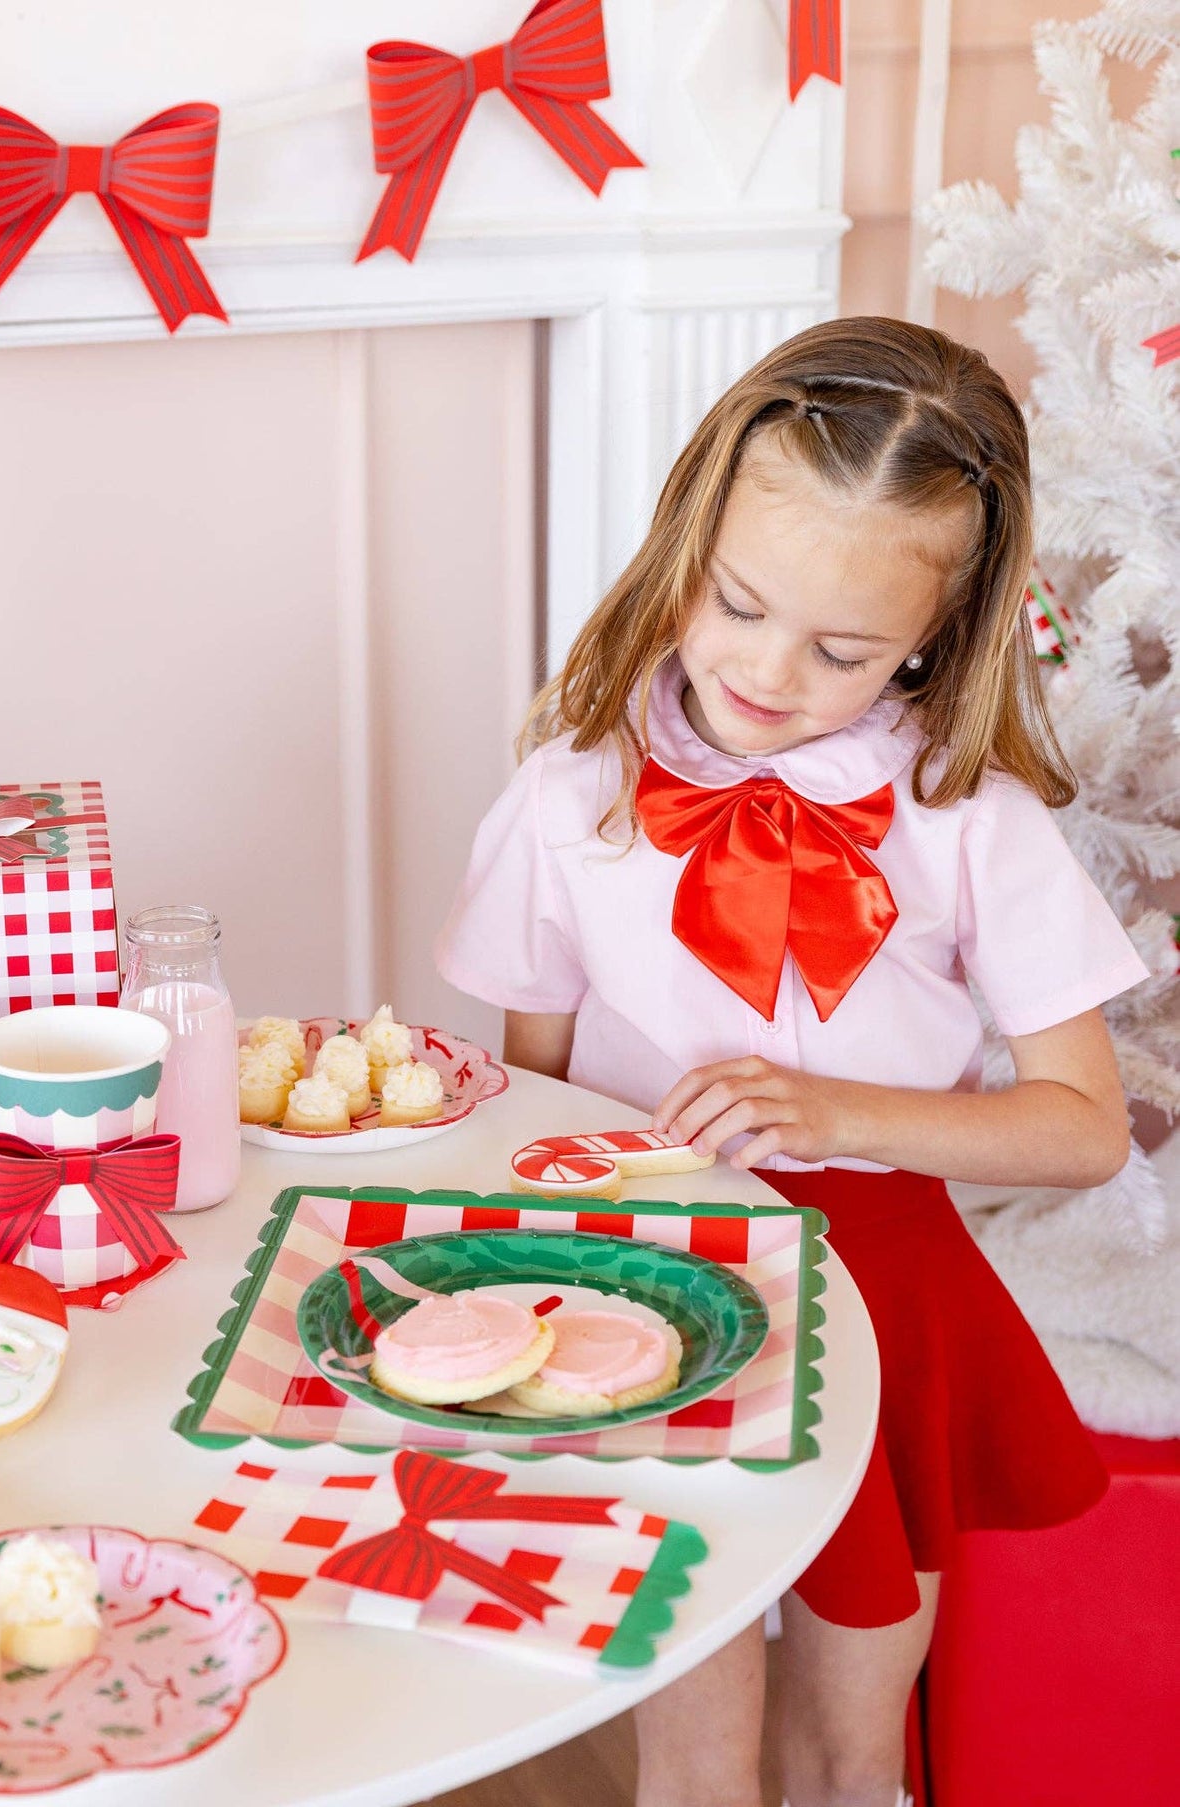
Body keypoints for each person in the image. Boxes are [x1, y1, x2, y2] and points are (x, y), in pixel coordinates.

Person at [435, 318, 1147, 1807]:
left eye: (838, 652)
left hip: (882, 1296)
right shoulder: (571, 797)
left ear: (933, 642)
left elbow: (1083, 1128)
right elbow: (535, 1099)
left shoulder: (970, 825)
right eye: (737, 604)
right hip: (658, 1279)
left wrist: (829, 1113)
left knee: (844, 1739)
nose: (764, 673)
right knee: (688, 1749)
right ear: (685, 535)